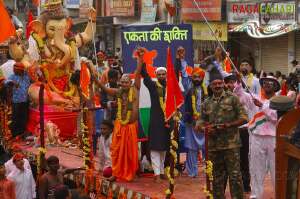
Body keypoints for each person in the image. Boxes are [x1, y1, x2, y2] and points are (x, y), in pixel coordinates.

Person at [195, 72, 248, 199]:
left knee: (235, 176)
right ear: (211, 86)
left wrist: (228, 125)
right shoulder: (206, 103)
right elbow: (199, 123)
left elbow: (244, 118)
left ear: (223, 84)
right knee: (217, 177)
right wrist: (205, 128)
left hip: (231, 145)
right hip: (214, 146)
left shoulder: (233, 98)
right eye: (215, 84)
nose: (218, 86)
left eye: (220, 83)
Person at [95, 48, 142, 182]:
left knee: (130, 153)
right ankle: (116, 173)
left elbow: (138, 73)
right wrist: (96, 80)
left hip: (131, 126)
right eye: (122, 81)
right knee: (116, 150)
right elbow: (104, 88)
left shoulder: (135, 88)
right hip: (119, 125)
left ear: (130, 83)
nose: (124, 83)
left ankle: (130, 173)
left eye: (126, 81)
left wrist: (140, 59)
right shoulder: (118, 91)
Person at [235, 76, 280, 199]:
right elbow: (240, 96)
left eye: (271, 82)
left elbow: (276, 118)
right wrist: (239, 83)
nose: (267, 84)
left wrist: (262, 106)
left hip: (273, 138)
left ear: (276, 86)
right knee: (256, 169)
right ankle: (256, 196)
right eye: (264, 82)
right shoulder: (254, 97)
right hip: (256, 138)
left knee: (276, 169)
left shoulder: (280, 101)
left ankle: (280, 195)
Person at [141, 62, 172, 182]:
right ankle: (156, 174)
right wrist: (142, 62)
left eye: (164, 74)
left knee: (164, 147)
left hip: (167, 121)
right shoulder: (153, 86)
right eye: (159, 74)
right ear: (156, 75)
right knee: (155, 148)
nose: (162, 76)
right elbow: (146, 77)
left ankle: (162, 171)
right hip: (155, 121)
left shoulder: (170, 87)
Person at [224, 73, 255, 193]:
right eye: (228, 82)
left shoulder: (247, 96)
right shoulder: (224, 97)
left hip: (243, 131)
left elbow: (252, 110)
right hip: (228, 132)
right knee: (228, 159)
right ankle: (228, 187)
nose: (231, 85)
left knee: (243, 159)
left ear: (238, 82)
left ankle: (246, 185)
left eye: (233, 82)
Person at [181, 67, 207, 177]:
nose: (196, 79)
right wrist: (181, 61)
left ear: (202, 78)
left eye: (199, 77)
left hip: (204, 122)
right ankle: (192, 171)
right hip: (191, 122)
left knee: (208, 146)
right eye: (194, 77)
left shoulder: (208, 90)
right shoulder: (188, 89)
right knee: (192, 148)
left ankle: (210, 170)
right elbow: (184, 77)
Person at [5, 62, 31, 137]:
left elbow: (34, 77)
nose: (14, 71)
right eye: (14, 69)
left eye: (16, 70)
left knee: (24, 117)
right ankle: (15, 133)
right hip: (16, 101)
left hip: (25, 100)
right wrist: (12, 82)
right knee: (16, 117)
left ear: (21, 70)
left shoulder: (26, 76)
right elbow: (6, 82)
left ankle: (22, 132)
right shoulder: (12, 76)